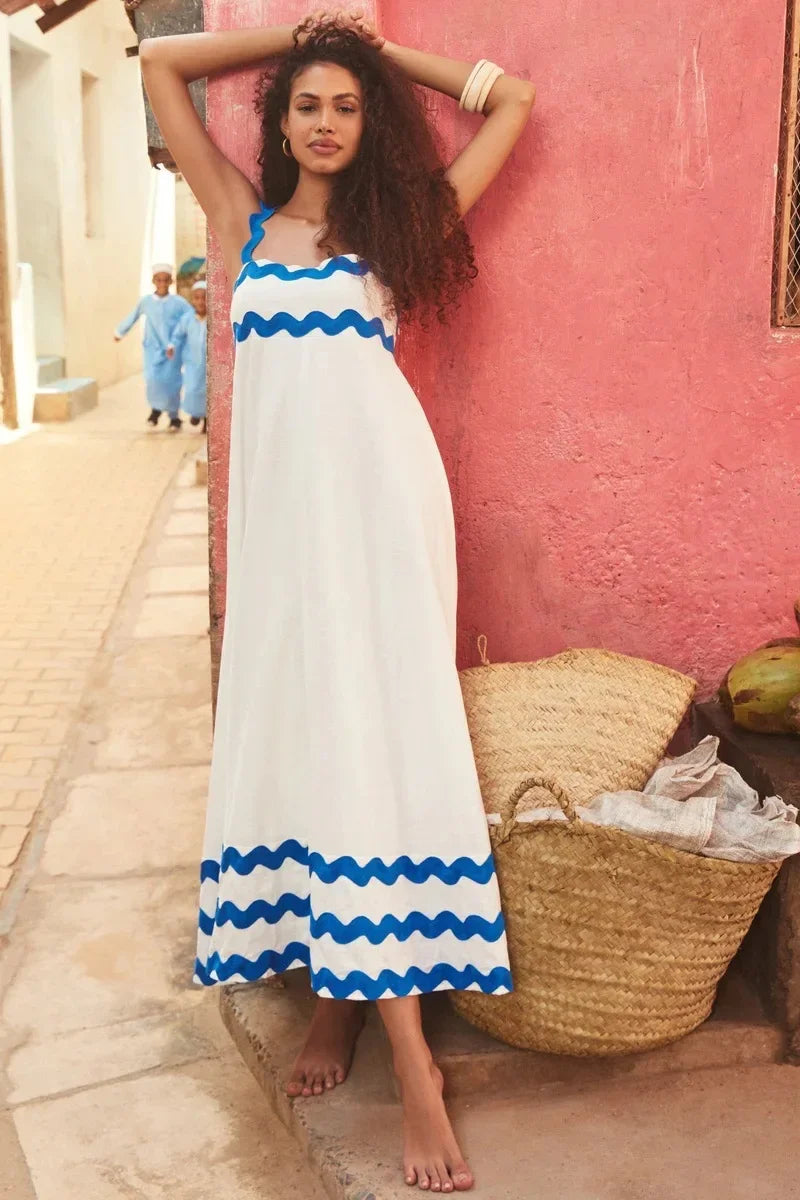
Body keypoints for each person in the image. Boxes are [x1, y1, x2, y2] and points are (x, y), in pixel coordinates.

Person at [140, 11, 533, 1193]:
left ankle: (411, 1056)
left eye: (343, 105)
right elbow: (158, 60)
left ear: (367, 125)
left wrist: (372, 55)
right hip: (281, 540)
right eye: (305, 102)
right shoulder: (239, 222)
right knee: (306, 737)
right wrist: (308, 37)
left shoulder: (399, 228)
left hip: (376, 523)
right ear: (278, 121)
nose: (322, 121)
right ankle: (335, 999)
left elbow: (510, 99)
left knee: (371, 735)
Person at [114, 264, 192, 431]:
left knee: (172, 383)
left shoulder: (179, 303)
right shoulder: (146, 302)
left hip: (172, 351)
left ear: (171, 281)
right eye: (159, 279)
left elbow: (191, 319)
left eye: (165, 279)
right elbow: (133, 316)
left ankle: (174, 417)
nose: (162, 283)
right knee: (153, 381)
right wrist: (120, 332)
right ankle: (155, 411)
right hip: (152, 350)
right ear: (153, 281)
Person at [171, 279, 208, 433]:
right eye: (197, 298)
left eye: (204, 297)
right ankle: (195, 413)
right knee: (192, 389)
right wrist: (172, 346)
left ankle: (207, 421)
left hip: (208, 364)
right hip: (192, 363)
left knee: (208, 392)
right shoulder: (186, 319)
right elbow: (177, 335)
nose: (200, 301)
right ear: (192, 300)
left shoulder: (214, 318)